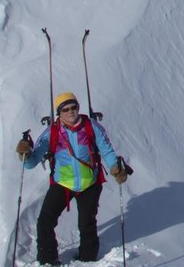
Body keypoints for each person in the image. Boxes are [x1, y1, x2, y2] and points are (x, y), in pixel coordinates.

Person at [16, 91, 131, 264]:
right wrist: (24, 153)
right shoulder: (52, 132)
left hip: (90, 183)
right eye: (65, 109)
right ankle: (48, 260)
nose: (71, 112)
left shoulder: (92, 127)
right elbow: (31, 163)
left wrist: (116, 169)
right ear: (59, 113)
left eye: (74, 107)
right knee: (45, 222)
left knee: (87, 223)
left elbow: (106, 150)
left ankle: (88, 258)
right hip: (62, 183)